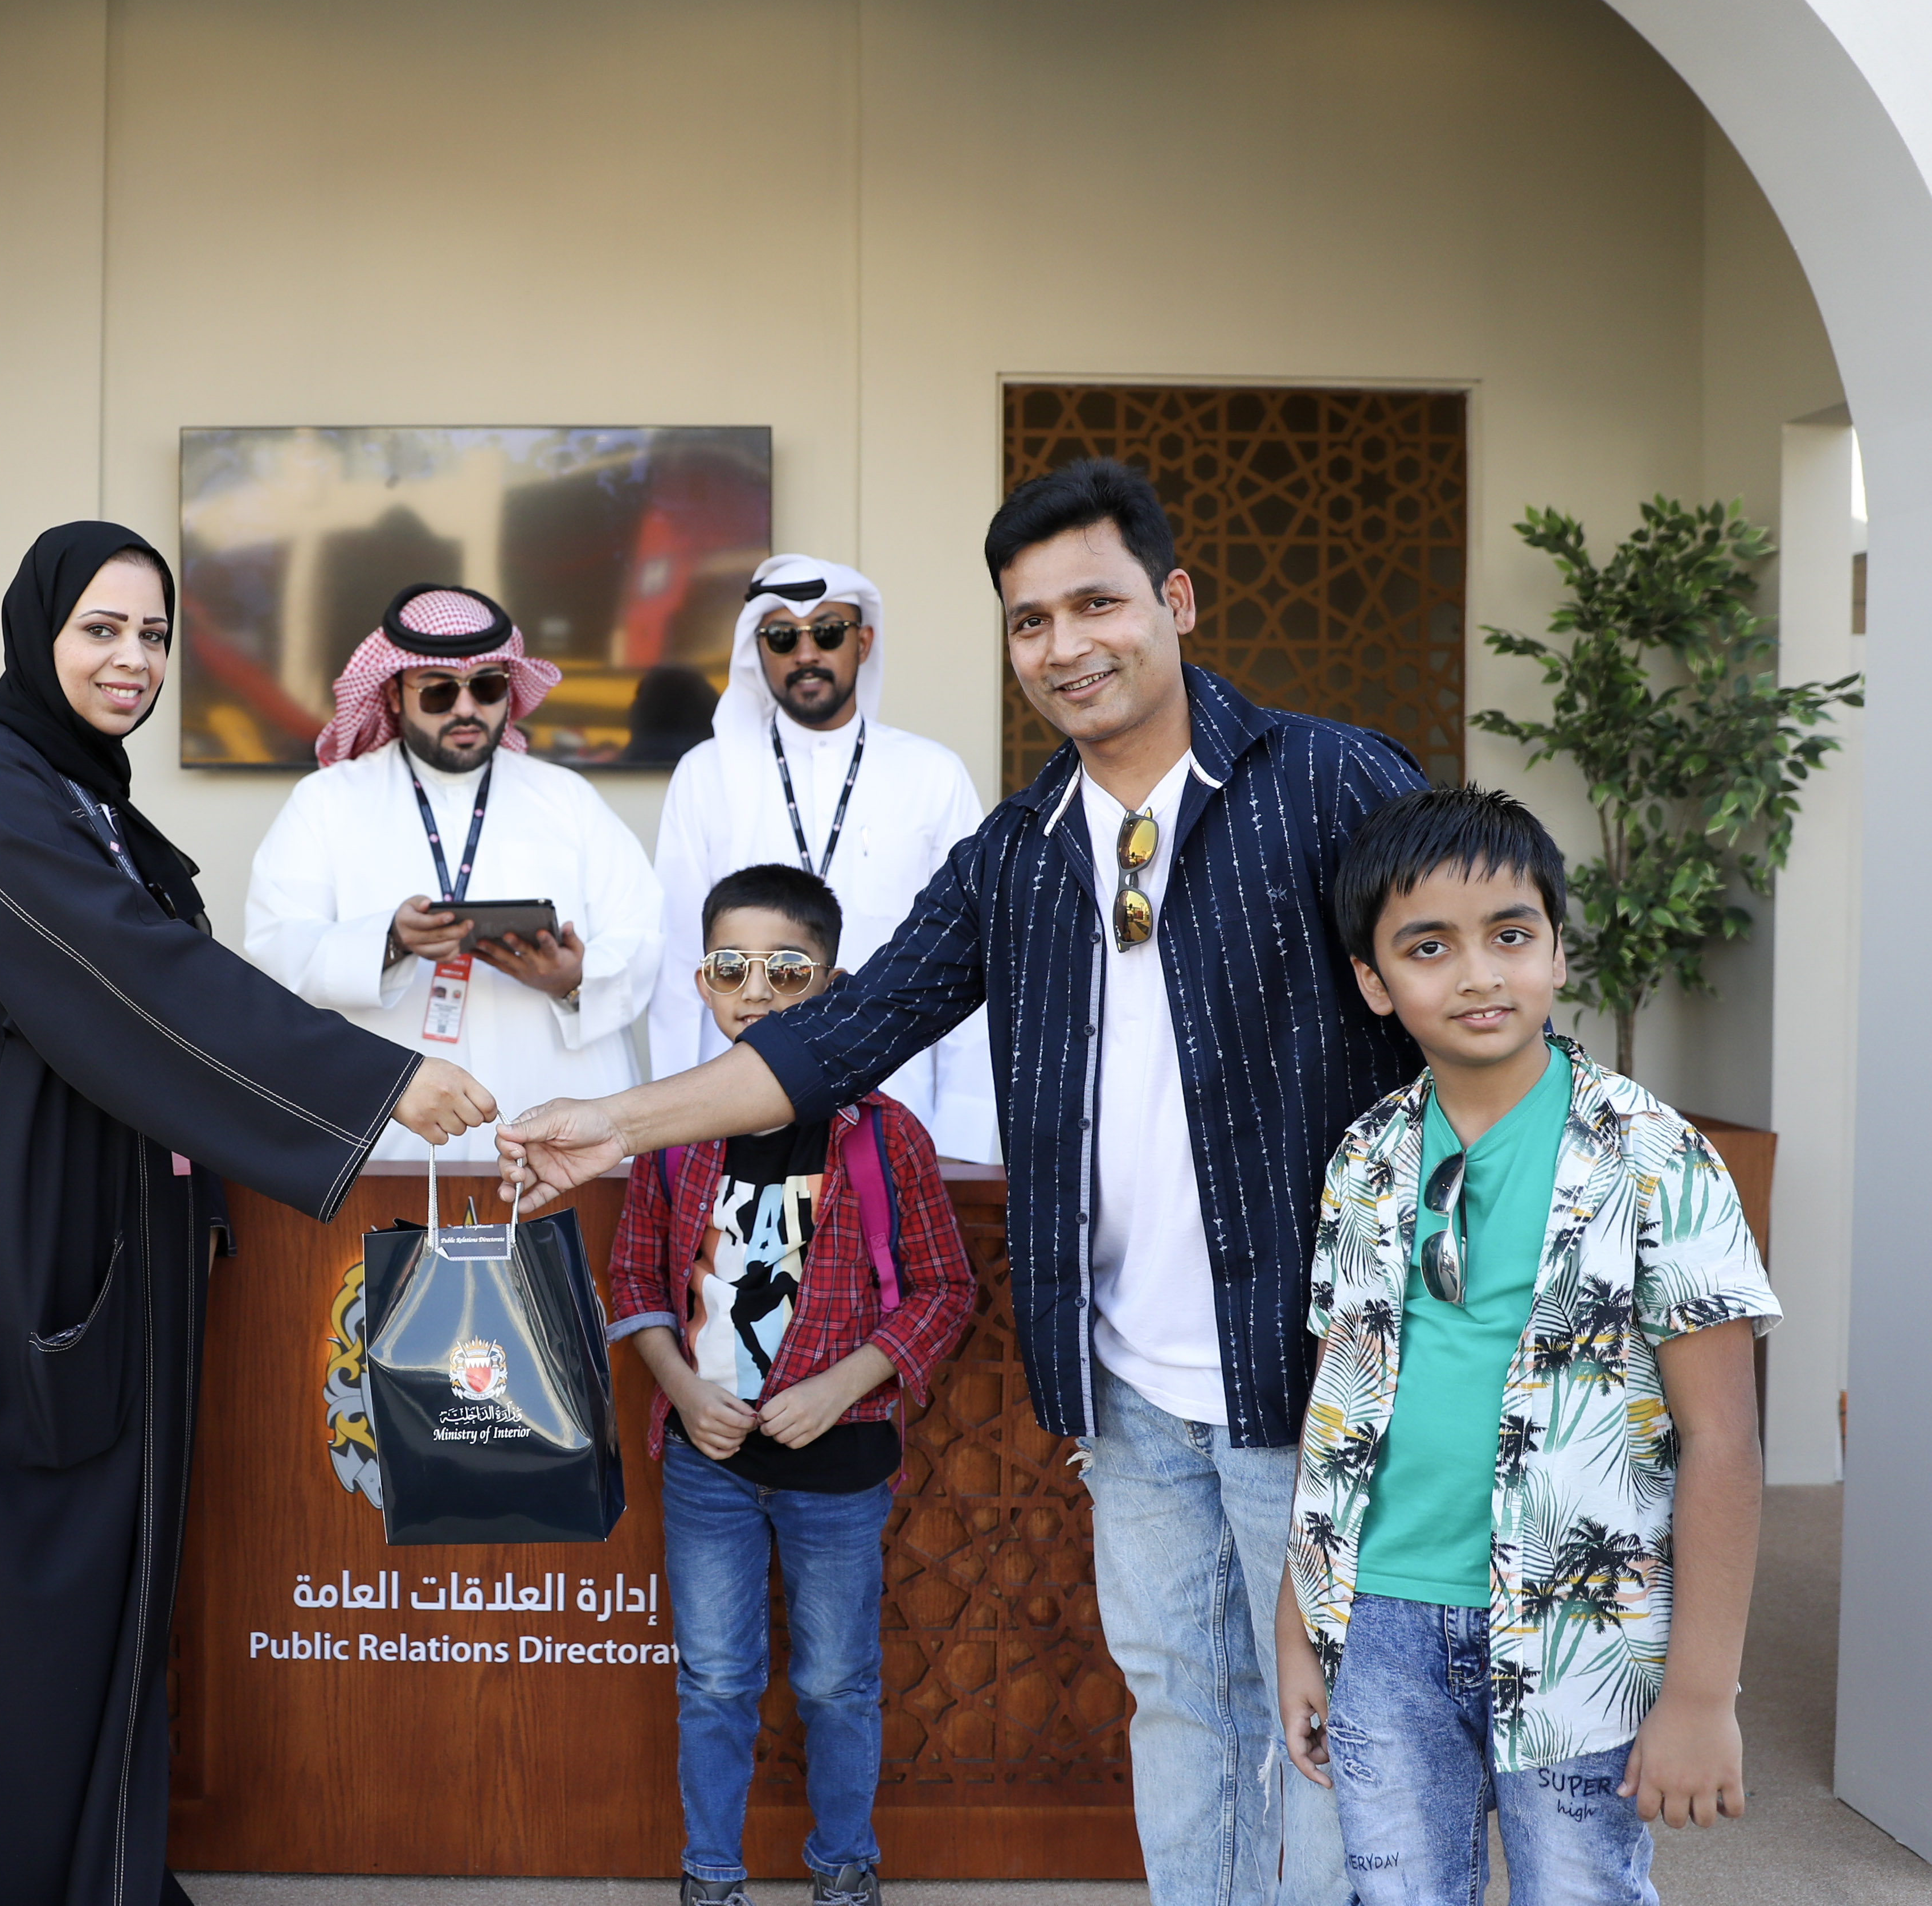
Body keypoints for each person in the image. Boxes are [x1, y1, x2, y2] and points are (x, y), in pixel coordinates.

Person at [500, 459, 1428, 1904]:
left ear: (1174, 601)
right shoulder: (1016, 853)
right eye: (1028, 620)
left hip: (1311, 1369)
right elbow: (838, 1035)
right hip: (1126, 1389)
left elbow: (1469, 1005)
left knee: (1332, 1724)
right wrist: (617, 1123)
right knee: (1182, 1705)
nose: (1064, 645)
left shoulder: (1329, 783)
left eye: (1096, 603)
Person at [0, 523, 493, 1906]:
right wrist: (377, 1079)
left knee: (93, 1587)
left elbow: (154, 980)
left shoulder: (83, 799)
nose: (133, 661)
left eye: (154, 635)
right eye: (102, 630)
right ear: (37, 632)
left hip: (96, 1257)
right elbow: (126, 974)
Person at [1276, 785, 1778, 1905]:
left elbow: (1722, 1439)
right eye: (1427, 947)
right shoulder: (1363, 1157)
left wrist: (1703, 1693)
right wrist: (1297, 1621)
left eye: (1508, 935)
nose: (1476, 975)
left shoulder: (1655, 1156)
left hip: (1582, 1625)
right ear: (1373, 981)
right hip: (1379, 1621)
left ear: (1555, 951)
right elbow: (1335, 1403)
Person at [607, 864, 973, 1906]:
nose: (756, 990)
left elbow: (945, 1291)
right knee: (715, 1678)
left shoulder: (883, 1135)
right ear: (702, 983)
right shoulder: (675, 1130)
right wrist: (682, 1389)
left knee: (835, 1682)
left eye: (786, 969)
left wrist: (841, 1387)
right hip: (708, 1465)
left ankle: (843, 1866)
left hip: (842, 1469)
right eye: (731, 968)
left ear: (834, 986)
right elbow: (633, 1279)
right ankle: (710, 1874)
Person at [244, 584, 662, 1162]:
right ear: (394, 695)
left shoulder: (566, 798)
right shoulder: (326, 801)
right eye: (439, 691)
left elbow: (642, 932)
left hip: (558, 1134)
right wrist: (390, 941)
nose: (466, 709)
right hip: (389, 1134)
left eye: (487, 687)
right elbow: (275, 946)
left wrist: (572, 978)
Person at [648, 555, 997, 1161]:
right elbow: (680, 964)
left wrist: (962, 1134)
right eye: (783, 637)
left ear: (862, 642)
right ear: (757, 650)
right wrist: (670, 1131)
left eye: (827, 633)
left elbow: (969, 960)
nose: (805, 653)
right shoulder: (705, 774)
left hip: (896, 1105)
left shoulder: (932, 775)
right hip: (734, 1109)